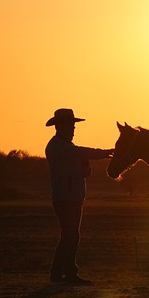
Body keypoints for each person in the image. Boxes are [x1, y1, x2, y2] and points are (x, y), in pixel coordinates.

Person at [45, 108, 112, 285]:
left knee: (73, 235)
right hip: (64, 197)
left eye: (74, 125)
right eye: (71, 125)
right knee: (70, 235)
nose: (74, 129)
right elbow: (82, 154)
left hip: (75, 196)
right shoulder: (57, 147)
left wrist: (86, 168)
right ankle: (58, 272)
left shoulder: (69, 148)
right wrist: (104, 153)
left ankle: (68, 272)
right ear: (60, 126)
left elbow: (84, 172)